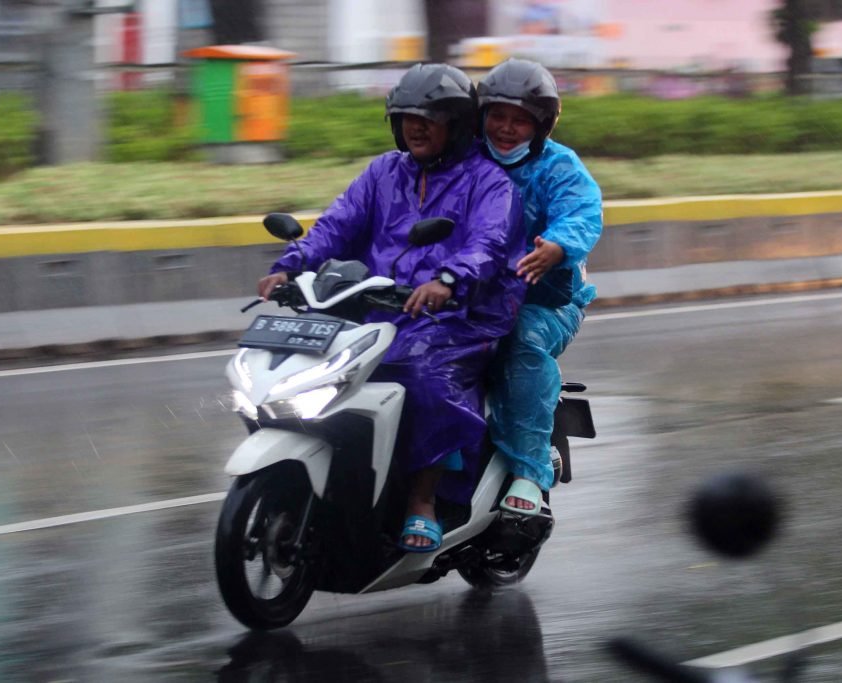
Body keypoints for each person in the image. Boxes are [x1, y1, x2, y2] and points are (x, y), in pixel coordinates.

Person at [258, 63, 524, 552]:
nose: (415, 127)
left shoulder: (489, 183)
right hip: (378, 308)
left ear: (459, 124)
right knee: (303, 361)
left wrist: (449, 279)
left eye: (430, 117)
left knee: (421, 374)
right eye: (406, 117)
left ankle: (422, 499)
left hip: (462, 317)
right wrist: (291, 265)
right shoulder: (383, 172)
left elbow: (488, 244)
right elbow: (336, 225)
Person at [477, 59, 603, 516]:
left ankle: (529, 472)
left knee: (521, 341)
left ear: (541, 124)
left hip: (548, 298)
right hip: (469, 294)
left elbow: (582, 213)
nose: (506, 128)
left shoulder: (559, 166)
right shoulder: (464, 158)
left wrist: (557, 247)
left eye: (520, 119)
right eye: (498, 116)